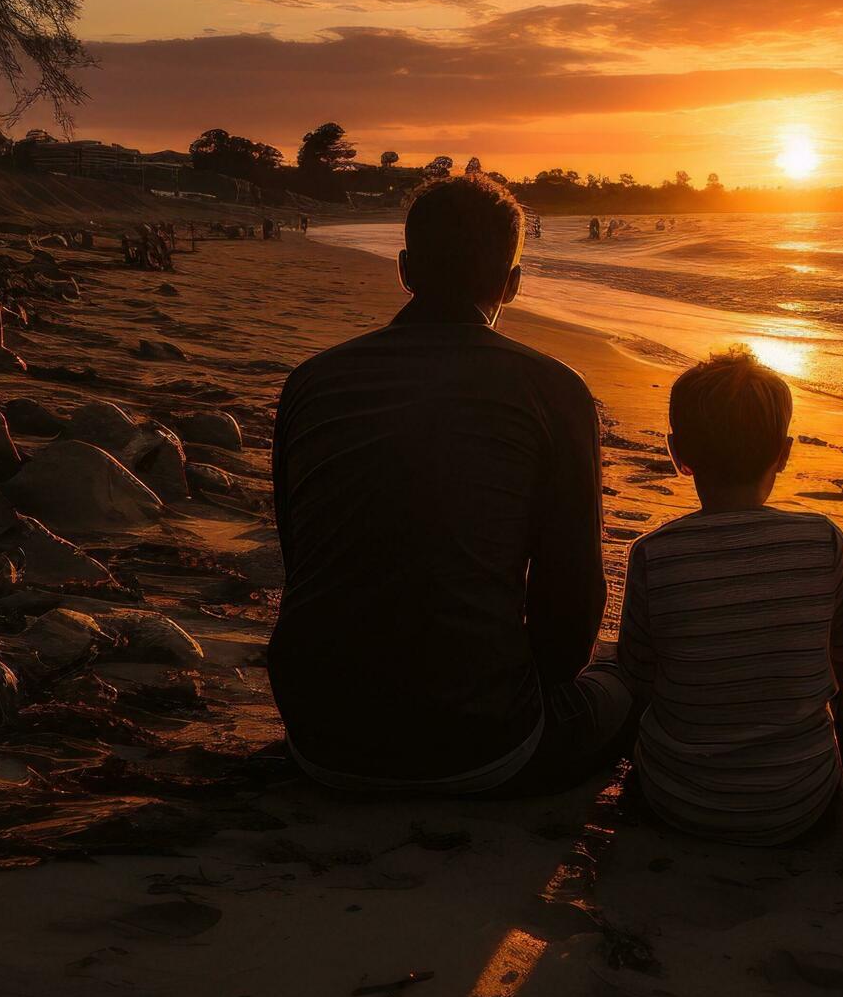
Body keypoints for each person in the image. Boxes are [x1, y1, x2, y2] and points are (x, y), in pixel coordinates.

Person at [267, 173, 630, 794]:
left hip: (318, 727)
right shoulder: (553, 390)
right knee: (627, 680)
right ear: (512, 284)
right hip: (480, 741)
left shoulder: (311, 382)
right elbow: (571, 600)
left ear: (405, 270)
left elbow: (301, 555)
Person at [614, 348, 843, 845]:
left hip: (677, 798)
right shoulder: (822, 539)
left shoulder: (654, 553)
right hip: (799, 800)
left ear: (677, 455)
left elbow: (637, 670)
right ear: (784, 452)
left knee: (607, 672)